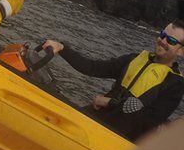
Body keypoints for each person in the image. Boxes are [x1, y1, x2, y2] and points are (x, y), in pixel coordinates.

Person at [42, 20, 184, 141]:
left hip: (119, 136)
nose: (163, 41)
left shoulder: (175, 84)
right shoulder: (134, 59)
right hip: (98, 117)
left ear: (181, 51)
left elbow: (148, 121)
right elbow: (94, 67)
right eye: (163, 35)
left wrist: (110, 102)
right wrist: (62, 48)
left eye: (171, 40)